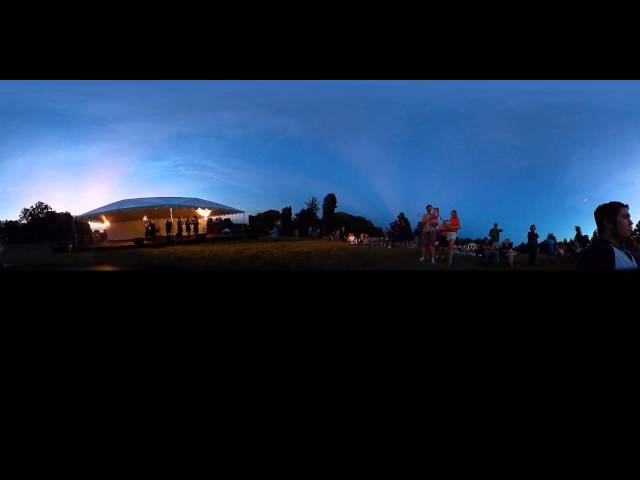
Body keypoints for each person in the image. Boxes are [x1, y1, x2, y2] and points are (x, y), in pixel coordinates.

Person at [578, 201, 638, 270]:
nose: (631, 222)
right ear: (608, 222)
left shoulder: (623, 251)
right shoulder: (598, 255)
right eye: (625, 217)